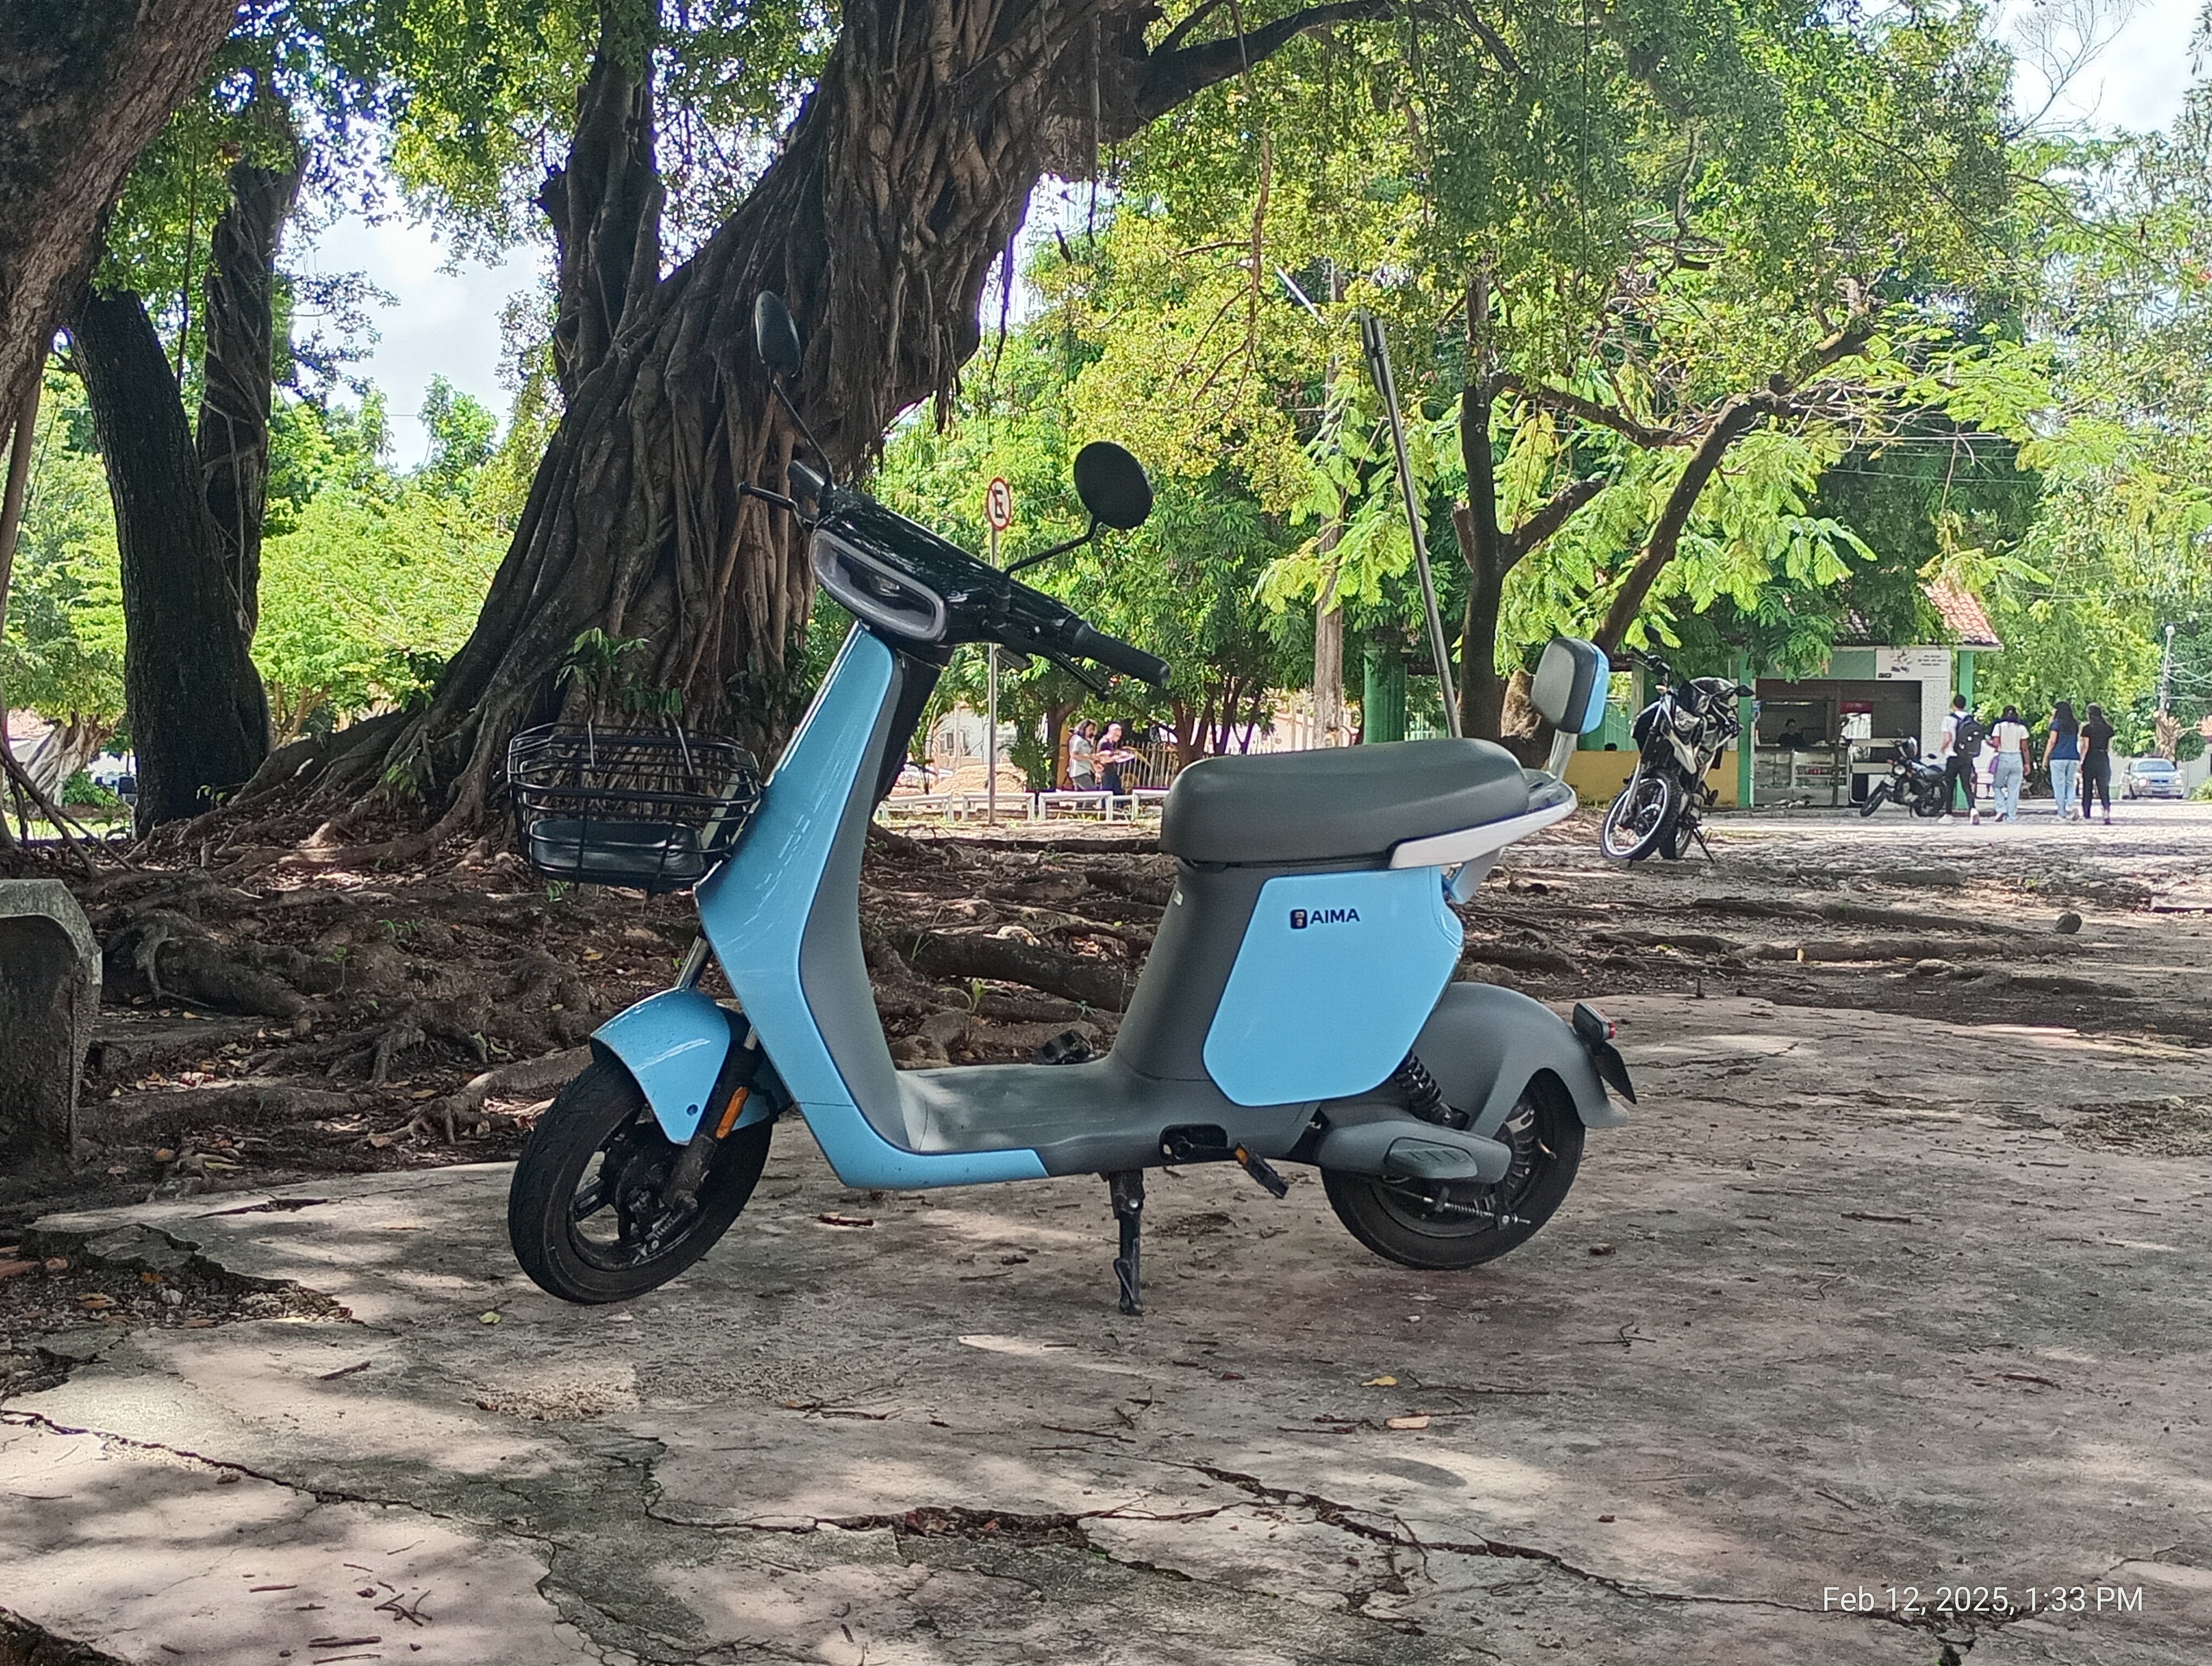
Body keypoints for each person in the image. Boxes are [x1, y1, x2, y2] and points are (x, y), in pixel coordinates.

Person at [1938, 694, 1983, 824]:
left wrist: (1943, 749)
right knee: (1966, 785)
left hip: (1953, 757)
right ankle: (1973, 809)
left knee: (1950, 785)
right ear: (1965, 705)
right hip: (1967, 757)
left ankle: (1948, 814)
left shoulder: (1949, 719)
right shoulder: (1971, 719)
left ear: (1954, 705)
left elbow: (1948, 739)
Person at [1989, 704, 2030, 822]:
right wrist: (2027, 764)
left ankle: (2001, 808)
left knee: (1997, 785)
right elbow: (2025, 749)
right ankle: (2011, 817)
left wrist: (1988, 742)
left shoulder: (1999, 727)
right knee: (2014, 789)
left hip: (2003, 757)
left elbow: (1996, 744)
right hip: (2017, 758)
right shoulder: (2021, 728)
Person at [2042, 700, 2082, 821]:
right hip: (2073, 757)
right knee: (2070, 783)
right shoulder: (2075, 724)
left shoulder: (2057, 724)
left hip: (2058, 757)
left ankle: (2061, 813)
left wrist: (2045, 758)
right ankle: (2070, 805)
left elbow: (2052, 741)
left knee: (2059, 785)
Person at [2081, 701, 2115, 824]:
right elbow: (2109, 746)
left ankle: (2087, 812)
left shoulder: (2087, 729)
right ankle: (2106, 809)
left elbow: (2086, 746)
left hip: (2090, 757)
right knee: (2103, 787)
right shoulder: (2108, 728)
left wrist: (2081, 761)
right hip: (2102, 757)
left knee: (2087, 786)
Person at [1096, 721, 1136, 797]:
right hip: (1105, 772)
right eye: (1117, 735)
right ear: (1112, 733)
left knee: (1118, 790)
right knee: (1107, 791)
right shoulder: (1105, 743)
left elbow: (1113, 758)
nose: (1118, 738)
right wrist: (1121, 756)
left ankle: (1117, 806)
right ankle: (1104, 808)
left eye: (1119, 736)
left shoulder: (1110, 743)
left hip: (1111, 771)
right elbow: (1105, 759)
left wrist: (1125, 757)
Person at [1066, 719, 1098, 792]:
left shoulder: (1087, 741)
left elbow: (1089, 759)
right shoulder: (1077, 739)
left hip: (1086, 771)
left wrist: (1095, 772)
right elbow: (1074, 756)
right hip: (1079, 772)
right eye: (1090, 730)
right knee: (1092, 795)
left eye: (1093, 730)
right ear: (1084, 728)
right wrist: (1088, 756)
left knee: (1081, 799)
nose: (1092, 732)